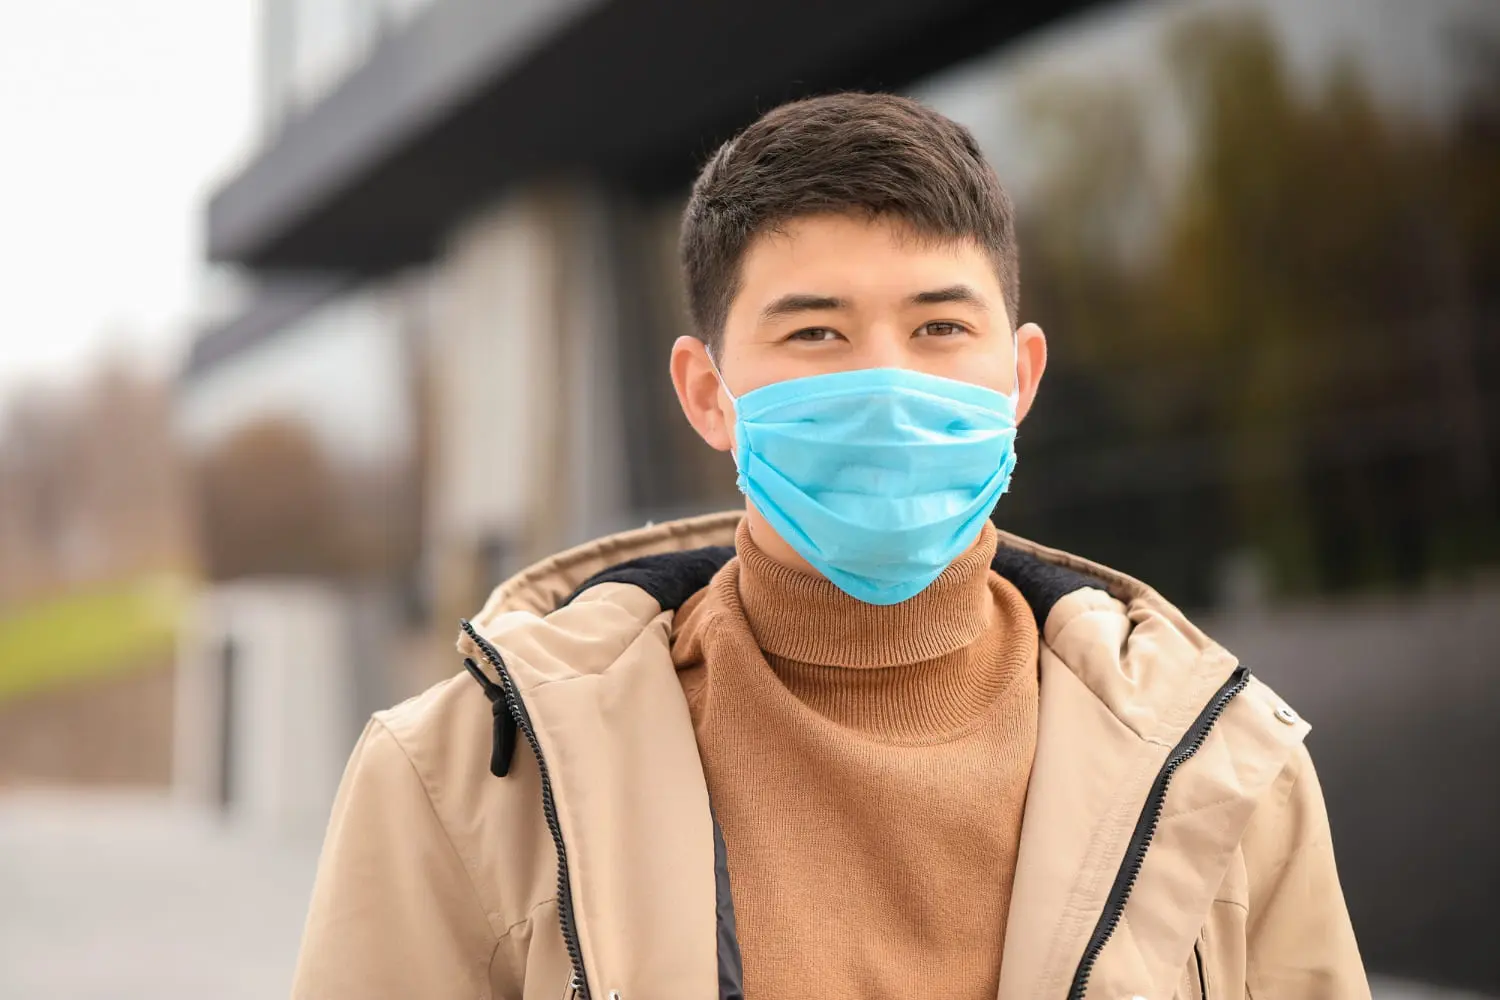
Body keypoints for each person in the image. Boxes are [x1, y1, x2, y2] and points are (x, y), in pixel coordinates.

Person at [290, 93, 1369, 1000]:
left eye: (941, 327)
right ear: (709, 393)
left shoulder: (1230, 778)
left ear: (1021, 378)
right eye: (817, 333)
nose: (890, 386)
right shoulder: (468, 779)